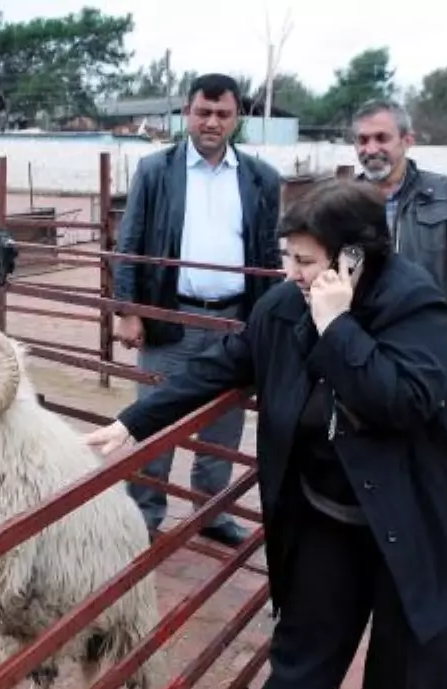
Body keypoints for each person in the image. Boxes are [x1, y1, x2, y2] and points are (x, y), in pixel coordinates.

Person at [86, 180, 447, 689]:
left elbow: (404, 401)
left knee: (410, 676)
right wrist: (135, 421)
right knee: (303, 647)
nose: (288, 271)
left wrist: (339, 325)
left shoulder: (414, 304)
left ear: (352, 258)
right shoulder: (287, 303)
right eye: (286, 256)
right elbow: (228, 362)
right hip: (332, 514)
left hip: (420, 521)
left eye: (303, 260)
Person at [112, 72, 282, 547]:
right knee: (153, 416)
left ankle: (212, 511)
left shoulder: (261, 178)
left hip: (234, 320)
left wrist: (267, 322)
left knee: (223, 426)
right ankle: (143, 516)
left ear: (236, 118)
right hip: (172, 317)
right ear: (187, 112)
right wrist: (128, 310)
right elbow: (130, 244)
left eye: (222, 114)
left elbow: (267, 253)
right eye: (203, 112)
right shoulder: (155, 170)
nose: (211, 122)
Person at [352, 98, 447, 382]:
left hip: (431, 349)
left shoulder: (445, 194)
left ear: (407, 140)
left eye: (382, 138)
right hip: (366, 349)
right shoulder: (343, 201)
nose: (371, 149)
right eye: (362, 140)